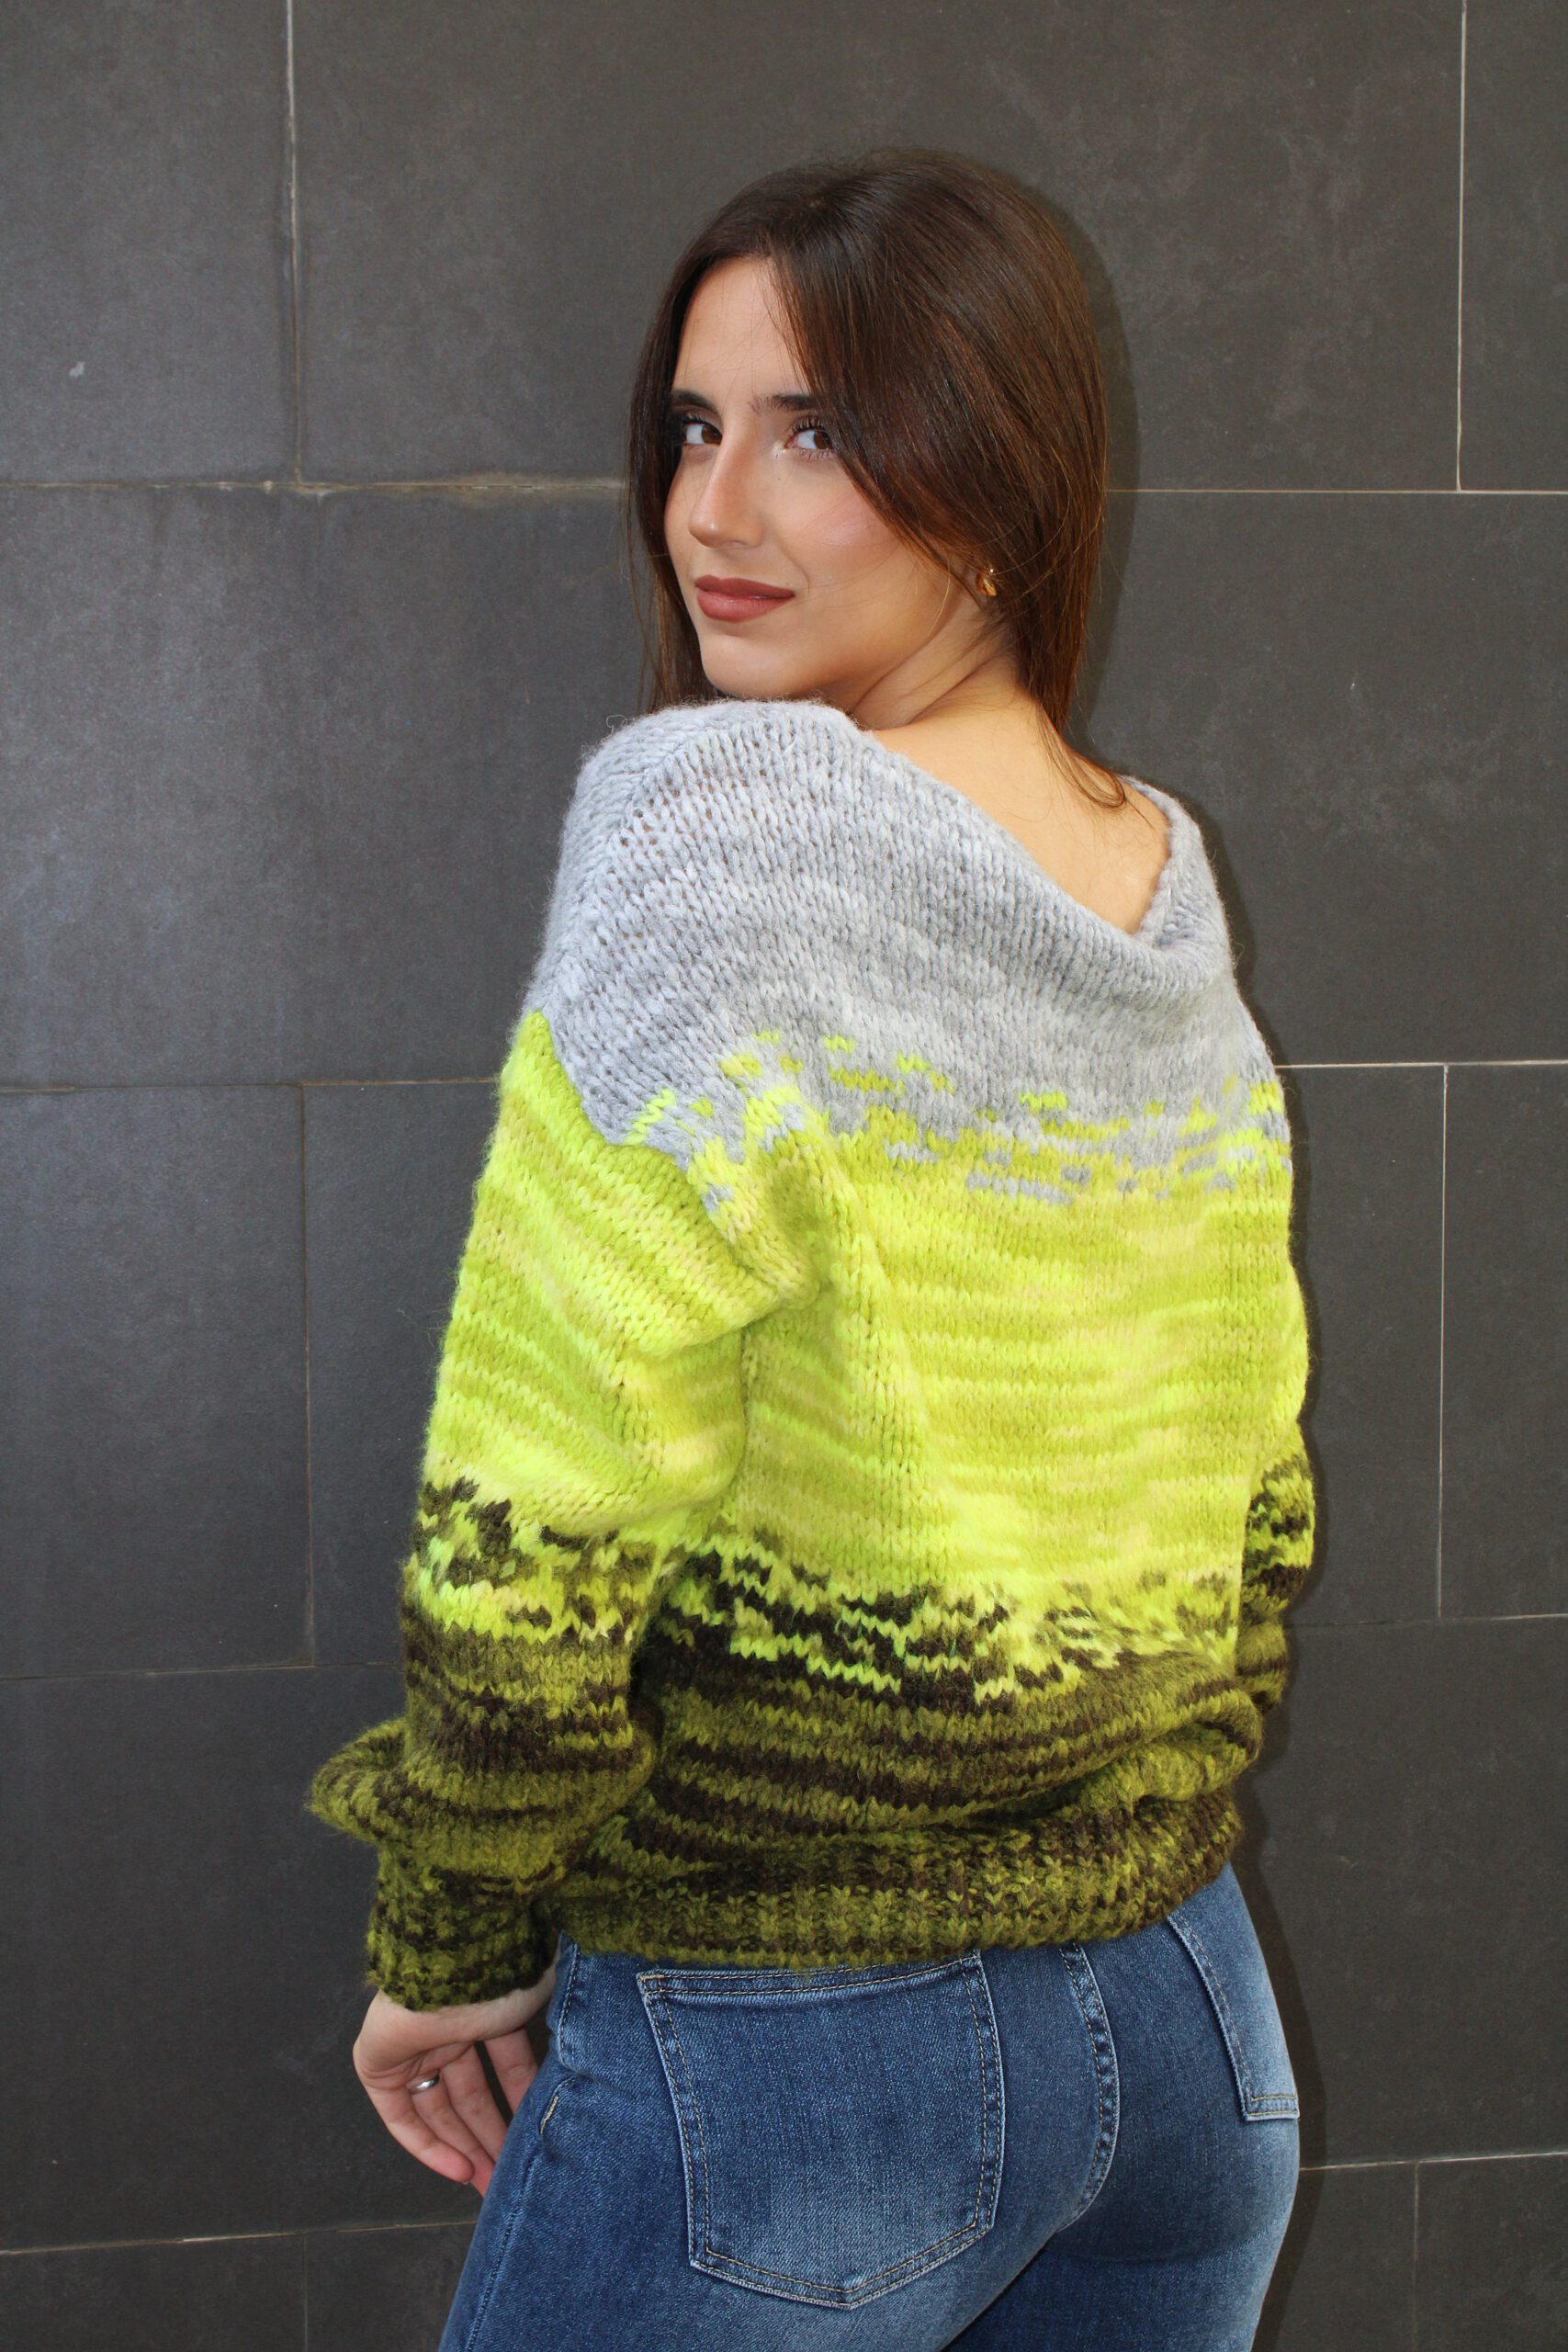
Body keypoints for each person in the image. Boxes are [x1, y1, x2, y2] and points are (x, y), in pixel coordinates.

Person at [305, 146, 1315, 2352]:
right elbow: (1249, 1472)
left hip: (805, 2053)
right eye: (694, 425)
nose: (713, 509)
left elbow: (547, 1494)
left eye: (819, 430)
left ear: (999, 479)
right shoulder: (1148, 872)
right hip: (1184, 2026)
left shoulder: (718, 830)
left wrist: (451, 1928)